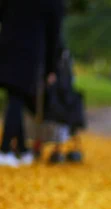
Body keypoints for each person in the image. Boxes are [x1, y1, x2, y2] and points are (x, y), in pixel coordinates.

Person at [0, 0, 65, 167]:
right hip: (30, 53)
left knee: (16, 97)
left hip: (7, 47)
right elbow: (54, 34)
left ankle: (21, 149)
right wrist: (51, 67)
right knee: (16, 98)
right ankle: (5, 150)